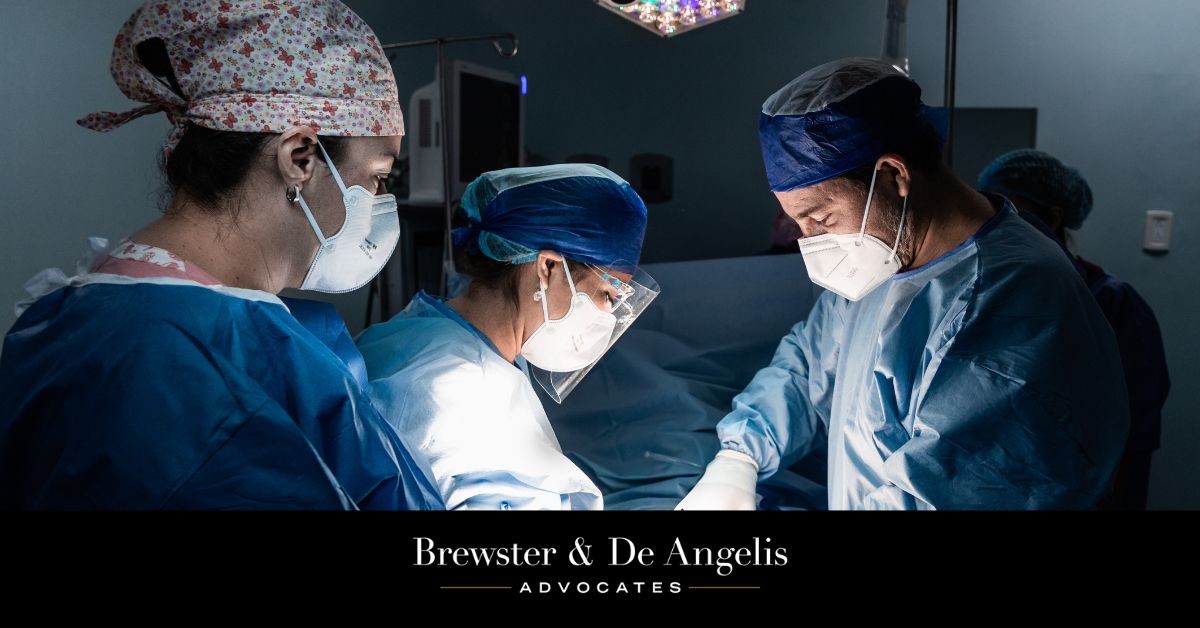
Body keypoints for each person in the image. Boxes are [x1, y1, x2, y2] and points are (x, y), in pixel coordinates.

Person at [0, 0, 440, 510]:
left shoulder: (71, 311)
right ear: (299, 157)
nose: (382, 200)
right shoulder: (185, 366)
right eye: (379, 177)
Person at [677, 57, 1129, 510]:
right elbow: (807, 368)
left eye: (820, 219)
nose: (810, 243)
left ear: (893, 176)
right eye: (799, 223)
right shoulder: (879, 261)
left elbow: (954, 491)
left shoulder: (1017, 303)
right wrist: (739, 459)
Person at [357, 164, 659, 510]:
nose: (608, 316)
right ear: (547, 268)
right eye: (608, 294)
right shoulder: (475, 397)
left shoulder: (409, 329)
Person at [979, 149, 1170, 509]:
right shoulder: (998, 294)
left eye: (1014, 210)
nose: (998, 221)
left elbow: (1136, 430)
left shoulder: (1113, 302)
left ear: (1053, 217)